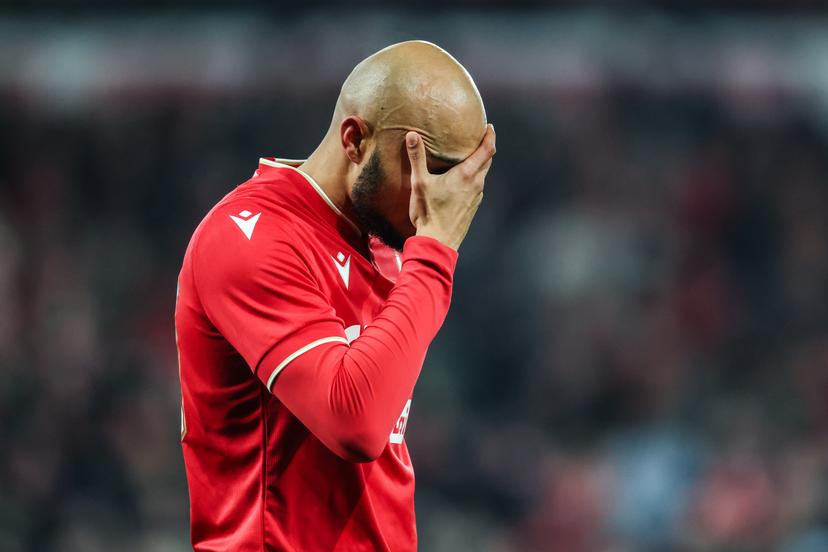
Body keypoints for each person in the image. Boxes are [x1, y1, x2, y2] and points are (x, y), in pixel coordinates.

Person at [175, 40, 495, 551]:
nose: (431, 199)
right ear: (354, 139)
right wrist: (433, 256)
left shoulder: (386, 242)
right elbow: (356, 423)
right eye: (425, 166)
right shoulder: (247, 237)